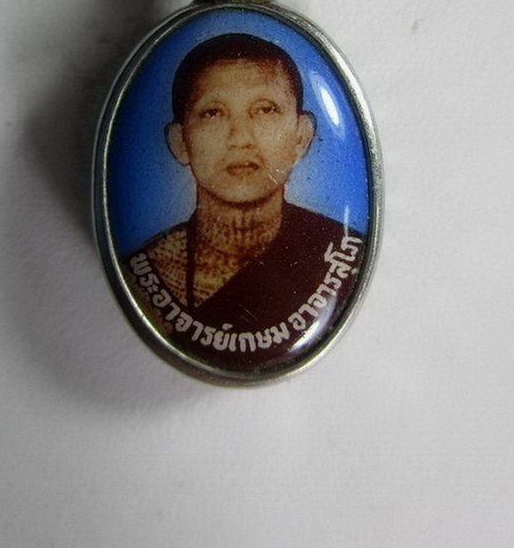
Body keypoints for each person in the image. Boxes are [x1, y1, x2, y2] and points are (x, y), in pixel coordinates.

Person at [125, 33, 364, 368]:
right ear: (180, 142)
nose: (240, 139)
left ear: (301, 137)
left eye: (265, 110)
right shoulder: (150, 269)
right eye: (213, 113)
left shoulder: (343, 255)